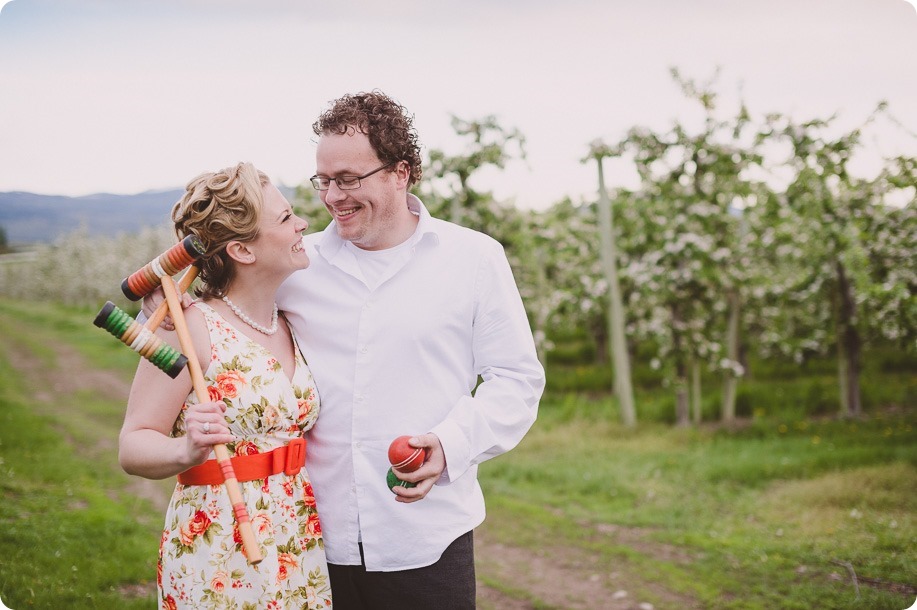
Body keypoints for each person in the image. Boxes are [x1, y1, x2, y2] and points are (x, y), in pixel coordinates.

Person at [275, 91, 546, 608]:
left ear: (401, 172)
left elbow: (516, 379)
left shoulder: (473, 258)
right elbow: (227, 323)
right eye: (324, 181)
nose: (333, 197)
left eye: (349, 179)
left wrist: (450, 445)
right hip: (308, 538)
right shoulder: (295, 265)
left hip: (427, 539)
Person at [120, 162, 333, 609]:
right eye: (285, 218)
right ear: (242, 249)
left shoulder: (291, 320)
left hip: (295, 534)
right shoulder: (187, 326)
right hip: (220, 544)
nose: (303, 224)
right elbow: (133, 444)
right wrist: (185, 449)